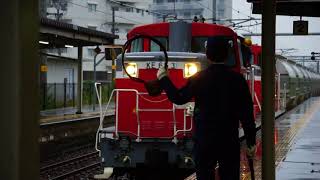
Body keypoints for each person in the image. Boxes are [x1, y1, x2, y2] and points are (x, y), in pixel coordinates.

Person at [156, 36, 256, 180]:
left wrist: (164, 78)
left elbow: (179, 98)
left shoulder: (199, 78)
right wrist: (251, 142)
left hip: (204, 139)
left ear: (208, 55)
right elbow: (246, 114)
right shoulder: (237, 80)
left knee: (204, 176)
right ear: (227, 54)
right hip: (228, 139)